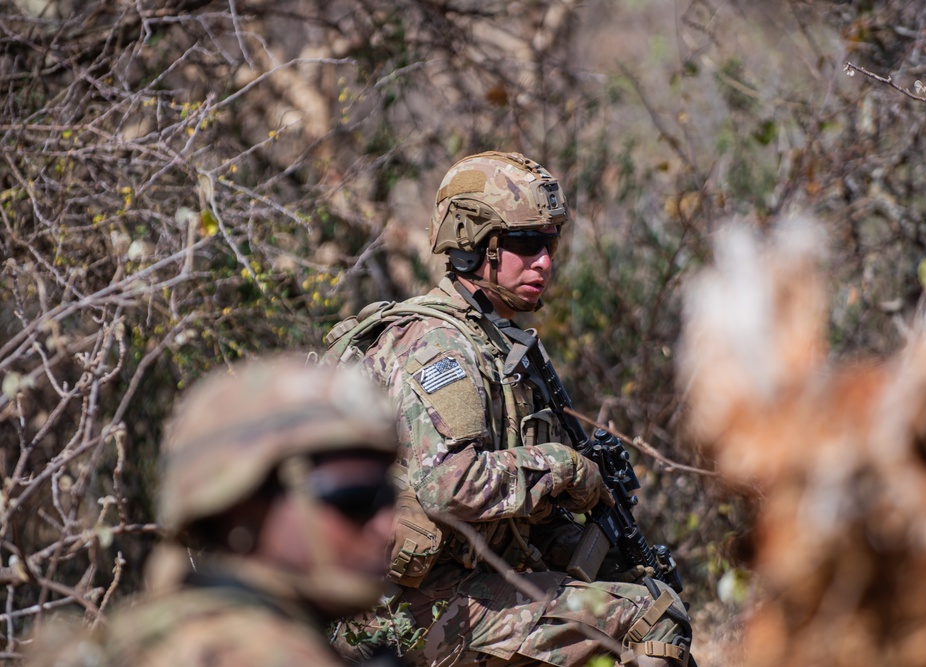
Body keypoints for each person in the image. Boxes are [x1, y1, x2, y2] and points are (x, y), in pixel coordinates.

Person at [326, 152, 694, 666]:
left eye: (550, 243)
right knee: (648, 621)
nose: (544, 260)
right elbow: (449, 486)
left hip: (458, 589)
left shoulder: (502, 347)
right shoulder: (439, 344)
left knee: (638, 589)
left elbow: (515, 521)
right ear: (473, 246)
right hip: (396, 614)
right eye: (524, 243)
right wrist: (563, 467)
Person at [25, 356, 400, 667]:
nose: (387, 527)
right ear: (241, 507)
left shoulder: (151, 636)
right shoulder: (255, 654)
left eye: (387, 499)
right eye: (355, 501)